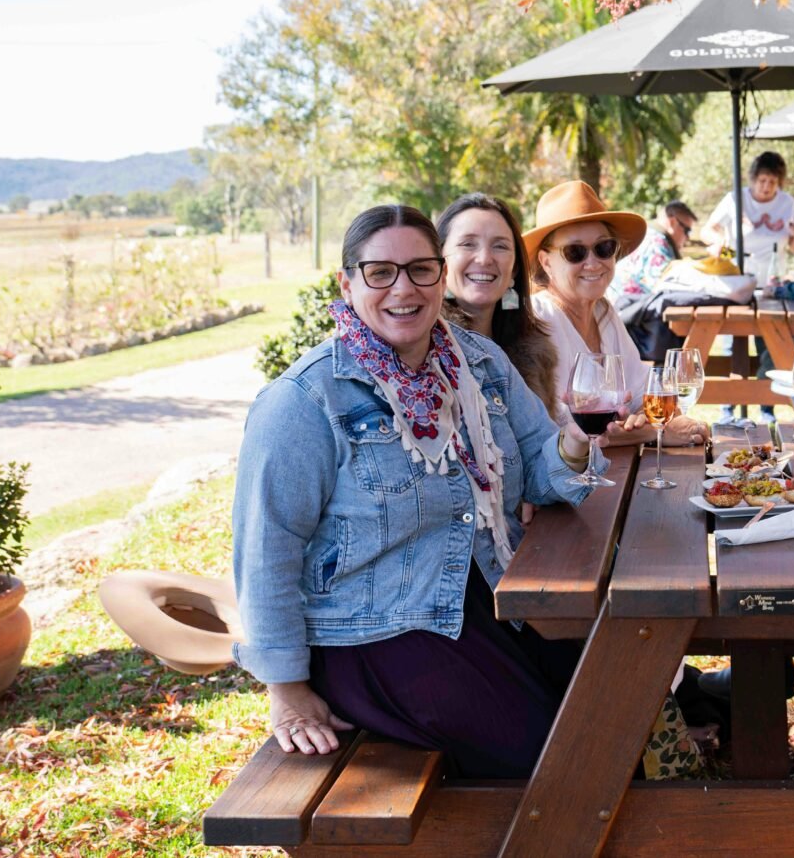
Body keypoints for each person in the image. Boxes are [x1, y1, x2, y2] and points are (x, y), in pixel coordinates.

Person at [232, 205, 597, 779]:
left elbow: (544, 474)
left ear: (440, 276)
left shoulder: (480, 363)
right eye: (381, 272)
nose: (403, 288)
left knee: (608, 706)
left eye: (420, 269)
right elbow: (266, 550)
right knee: (552, 760)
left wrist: (576, 440)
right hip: (374, 631)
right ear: (347, 283)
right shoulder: (305, 399)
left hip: (488, 594)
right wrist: (287, 689)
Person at [527, 181, 707, 449]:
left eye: (604, 248)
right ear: (546, 262)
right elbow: (562, 428)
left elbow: (642, 396)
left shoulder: (603, 312)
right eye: (574, 252)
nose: (593, 262)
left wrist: (646, 420)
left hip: (616, 470)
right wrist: (654, 432)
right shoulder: (539, 319)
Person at [437, 193, 558, 414]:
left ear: (514, 269)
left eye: (500, 246)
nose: (484, 258)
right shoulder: (423, 347)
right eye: (468, 244)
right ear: (440, 260)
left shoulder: (535, 354)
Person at [702, 150, 794, 283]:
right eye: (762, 180)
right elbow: (706, 231)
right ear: (753, 179)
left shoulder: (788, 203)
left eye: (772, 182)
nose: (766, 187)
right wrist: (719, 241)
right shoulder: (735, 198)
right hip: (736, 273)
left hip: (772, 277)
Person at [609, 200, 698, 308]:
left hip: (626, 307)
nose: (688, 237)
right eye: (687, 230)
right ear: (672, 222)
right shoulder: (657, 241)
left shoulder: (649, 234)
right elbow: (667, 284)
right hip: (626, 313)